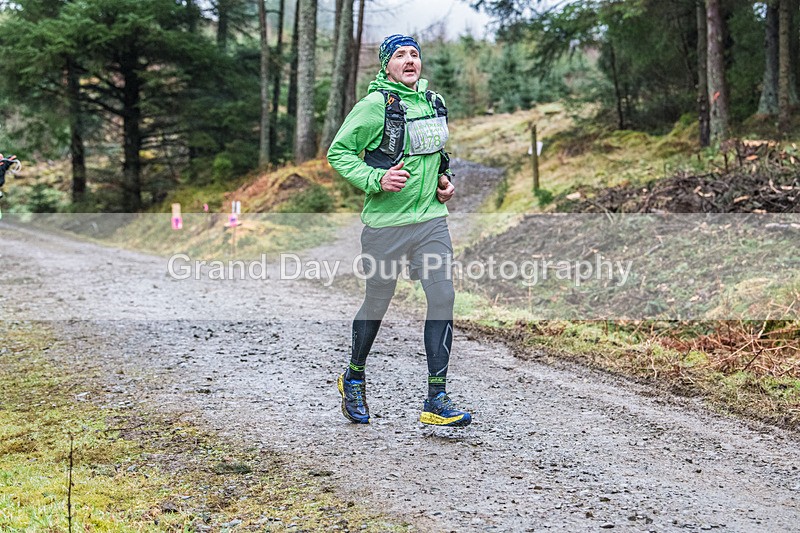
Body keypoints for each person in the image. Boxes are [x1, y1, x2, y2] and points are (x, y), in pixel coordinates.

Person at [327, 34, 471, 427]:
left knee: (442, 296)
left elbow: (435, 156)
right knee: (378, 302)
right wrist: (376, 179)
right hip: (386, 226)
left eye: (414, 54)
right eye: (400, 55)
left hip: (430, 221)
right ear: (386, 65)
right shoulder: (374, 106)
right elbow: (338, 153)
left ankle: (436, 399)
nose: (409, 60)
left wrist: (444, 181)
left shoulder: (433, 102)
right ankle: (353, 377)